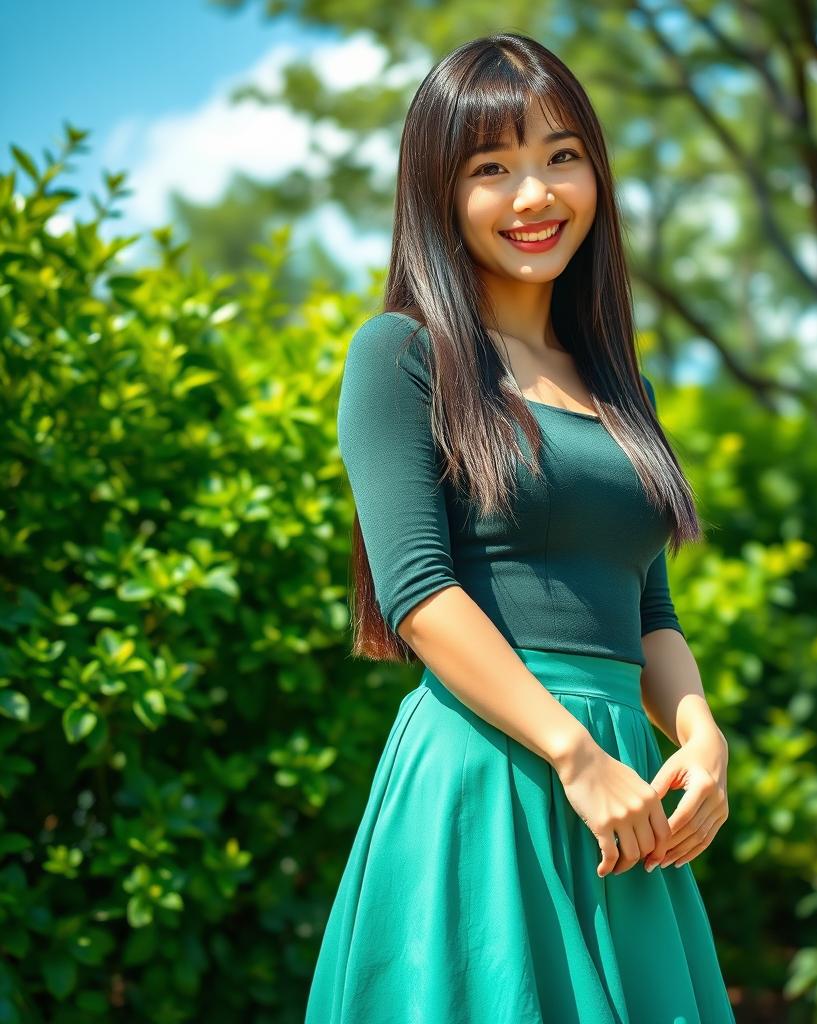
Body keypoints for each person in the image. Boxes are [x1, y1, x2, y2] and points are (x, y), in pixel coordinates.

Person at [305, 31, 736, 1024]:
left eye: (560, 156)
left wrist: (697, 728)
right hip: (490, 769)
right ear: (438, 194)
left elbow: (647, 604)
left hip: (625, 784)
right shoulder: (401, 354)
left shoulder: (616, 383)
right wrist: (570, 753)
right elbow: (417, 593)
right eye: (491, 168)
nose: (535, 195)